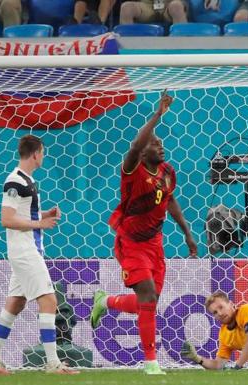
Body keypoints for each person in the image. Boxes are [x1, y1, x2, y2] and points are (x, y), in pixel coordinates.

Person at [90, 92, 198, 375]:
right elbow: (137, 143)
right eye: (154, 142)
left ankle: (107, 301)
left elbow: (170, 200)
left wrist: (187, 232)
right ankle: (151, 362)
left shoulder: (166, 171)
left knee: (146, 303)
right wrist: (157, 114)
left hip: (155, 243)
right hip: (131, 242)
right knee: (148, 297)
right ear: (142, 150)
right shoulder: (132, 169)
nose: (160, 145)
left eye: (161, 142)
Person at [0, 135, 79, 375]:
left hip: (26, 249)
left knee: (15, 303)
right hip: (25, 251)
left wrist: (44, 215)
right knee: (49, 301)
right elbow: (6, 219)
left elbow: (23, 214)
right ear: (35, 154)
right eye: (42, 153)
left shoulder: (28, 181)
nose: (43, 157)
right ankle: (53, 363)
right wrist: (40, 225)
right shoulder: (14, 181)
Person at [119, 0, 188, 25]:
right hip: (147, 5)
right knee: (126, 8)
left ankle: (184, 46)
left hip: (169, 4)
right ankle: (127, 48)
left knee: (176, 6)